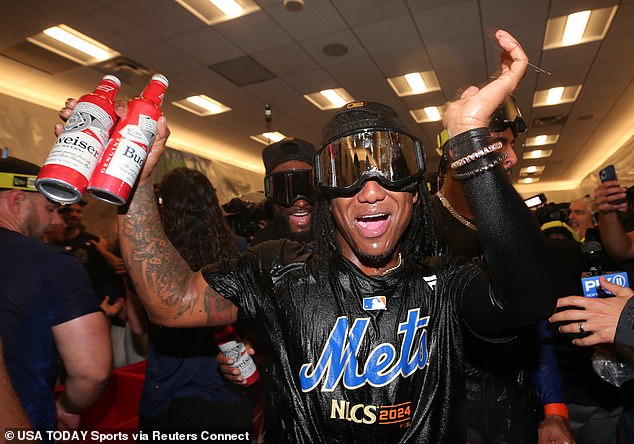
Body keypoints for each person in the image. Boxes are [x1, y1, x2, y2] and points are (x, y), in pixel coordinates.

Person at [116, 29, 556, 443]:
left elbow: (529, 300)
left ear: (416, 194)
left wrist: (471, 143)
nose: (369, 191)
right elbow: (171, 303)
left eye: (393, 169)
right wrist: (133, 180)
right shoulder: (277, 270)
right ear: (327, 195)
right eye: (348, 172)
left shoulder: (444, 285)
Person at [434, 98, 573, 444]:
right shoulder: (419, 229)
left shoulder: (512, 228)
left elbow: (534, 327)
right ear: (457, 153)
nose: (511, 157)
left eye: (511, 144)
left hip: (515, 415)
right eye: (498, 143)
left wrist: (555, 412)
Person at [123, 168, 253, 435]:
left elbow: (137, 327)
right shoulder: (239, 248)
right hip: (228, 387)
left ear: (165, 205)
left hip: (169, 392)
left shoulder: (151, 262)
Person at [0, 156, 111, 436]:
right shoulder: (55, 264)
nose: (53, 220)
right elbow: (91, 372)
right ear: (16, 201)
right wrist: (69, 407)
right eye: (50, 208)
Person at [250, 137, 316, 244]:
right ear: (271, 193)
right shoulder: (261, 250)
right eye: (285, 191)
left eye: (307, 189)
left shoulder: (340, 241)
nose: (301, 202)